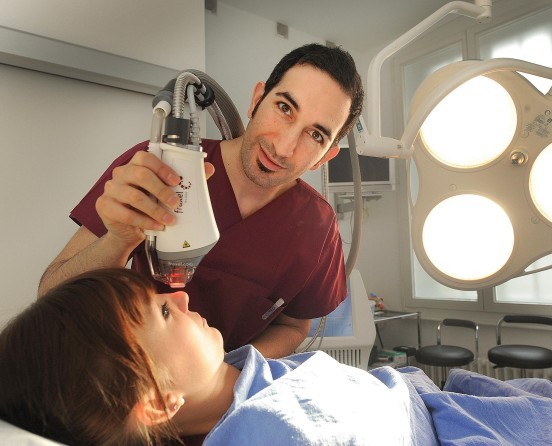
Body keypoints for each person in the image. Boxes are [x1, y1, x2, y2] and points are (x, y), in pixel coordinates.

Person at [38, 43, 365, 358]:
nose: (283, 147)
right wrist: (119, 240)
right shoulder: (158, 168)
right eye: (284, 108)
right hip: (133, 369)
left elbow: (293, 326)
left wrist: (228, 373)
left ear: (326, 157)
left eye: (316, 135)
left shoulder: (318, 228)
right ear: (256, 100)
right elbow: (51, 295)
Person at [0, 268, 416, 445]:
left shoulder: (245, 373)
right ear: (157, 402)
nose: (181, 297)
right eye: (164, 313)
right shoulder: (270, 430)